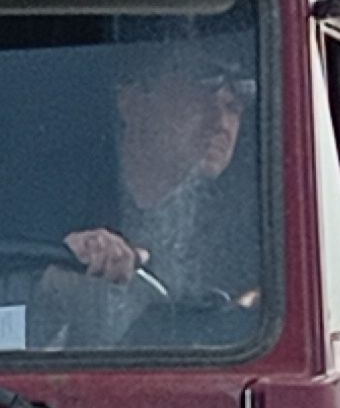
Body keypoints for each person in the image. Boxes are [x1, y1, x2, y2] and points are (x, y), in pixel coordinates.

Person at [40, 46, 261, 346]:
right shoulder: (37, 202)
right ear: (131, 102)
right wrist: (52, 276)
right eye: (198, 99)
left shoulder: (252, 234)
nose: (221, 124)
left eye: (233, 107)